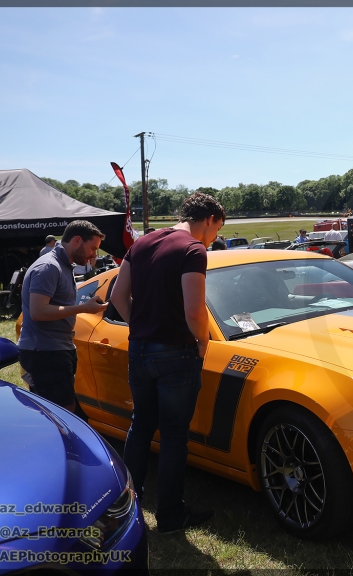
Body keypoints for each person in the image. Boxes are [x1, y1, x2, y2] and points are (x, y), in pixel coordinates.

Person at [110, 192, 225, 534]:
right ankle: (171, 515)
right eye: (216, 229)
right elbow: (194, 310)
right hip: (176, 352)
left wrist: (141, 327)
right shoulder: (193, 250)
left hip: (139, 349)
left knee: (141, 426)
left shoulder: (142, 243)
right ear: (208, 220)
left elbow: (118, 296)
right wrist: (203, 343)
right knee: (174, 435)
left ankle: (130, 505)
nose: (214, 237)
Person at [17, 220, 108, 414]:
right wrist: (83, 308)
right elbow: (38, 311)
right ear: (77, 240)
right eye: (92, 248)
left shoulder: (62, 265)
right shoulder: (49, 266)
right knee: (62, 416)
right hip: (45, 353)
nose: (94, 255)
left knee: (63, 414)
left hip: (54, 350)